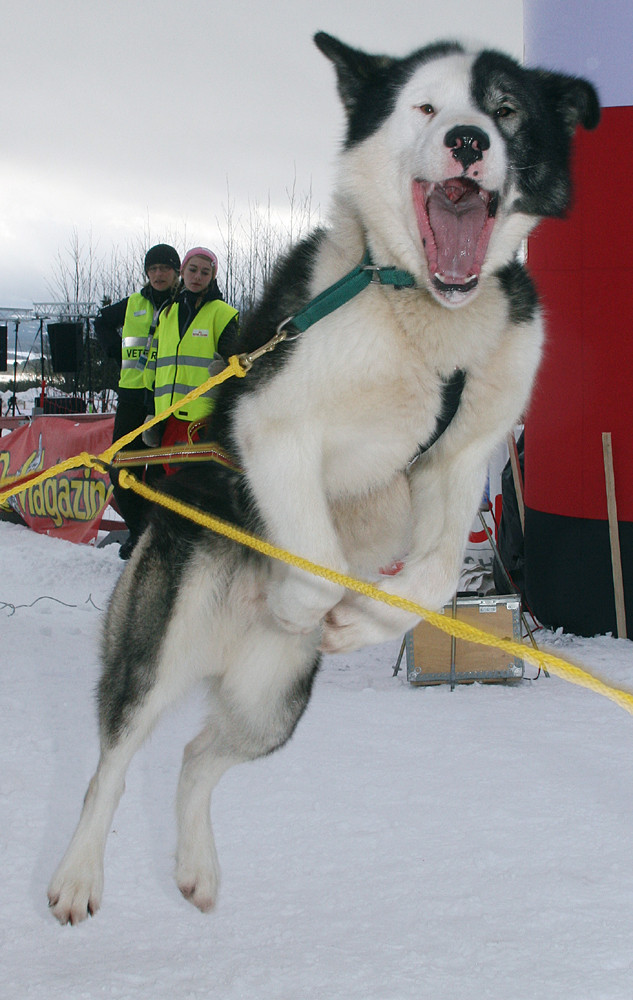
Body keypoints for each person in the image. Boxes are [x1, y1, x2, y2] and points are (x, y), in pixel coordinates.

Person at [94, 243, 181, 558]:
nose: (159, 274)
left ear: (176, 272)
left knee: (158, 473)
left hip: (165, 400)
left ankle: (154, 539)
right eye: (153, 269)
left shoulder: (183, 304)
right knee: (120, 468)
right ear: (147, 272)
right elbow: (101, 321)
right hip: (131, 397)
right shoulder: (133, 303)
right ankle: (138, 529)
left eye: (165, 268)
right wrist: (113, 351)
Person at [143, 247, 239, 466]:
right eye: (193, 269)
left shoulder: (222, 314)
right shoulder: (167, 313)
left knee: (190, 488)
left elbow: (235, 366)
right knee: (161, 486)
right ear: (183, 271)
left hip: (203, 423)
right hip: (167, 419)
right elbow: (154, 367)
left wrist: (225, 368)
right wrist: (151, 413)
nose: (197, 277)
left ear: (212, 277)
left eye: (205, 273)